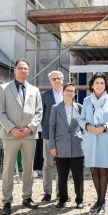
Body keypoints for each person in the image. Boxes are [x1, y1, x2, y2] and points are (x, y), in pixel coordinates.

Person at [0, 59, 43, 215]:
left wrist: (30, 128)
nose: (23, 71)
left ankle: (27, 197)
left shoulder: (35, 90)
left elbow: (39, 112)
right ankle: (7, 201)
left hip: (29, 135)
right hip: (11, 135)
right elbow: (0, 111)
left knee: (28, 168)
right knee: (8, 168)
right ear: (14, 70)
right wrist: (12, 129)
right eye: (20, 68)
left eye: (25, 68)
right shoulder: (4, 88)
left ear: (28, 71)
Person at [79, 72, 108, 215]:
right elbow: (81, 120)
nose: (99, 85)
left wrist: (105, 126)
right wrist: (88, 126)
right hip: (90, 138)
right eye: (96, 83)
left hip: (104, 138)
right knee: (93, 169)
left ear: (105, 85)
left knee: (103, 170)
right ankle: (98, 200)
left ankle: (102, 201)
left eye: (102, 82)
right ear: (92, 85)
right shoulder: (87, 101)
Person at [49, 83, 84, 209]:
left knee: (78, 176)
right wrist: (52, 146)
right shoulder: (55, 108)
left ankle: (79, 199)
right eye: (67, 90)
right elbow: (51, 127)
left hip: (77, 146)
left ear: (74, 94)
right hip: (61, 146)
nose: (69, 93)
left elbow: (84, 126)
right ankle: (62, 199)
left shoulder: (79, 107)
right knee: (62, 175)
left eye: (72, 91)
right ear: (63, 92)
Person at [40, 70, 64, 202]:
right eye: (54, 79)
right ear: (50, 81)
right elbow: (42, 114)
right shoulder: (46, 95)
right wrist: (45, 128)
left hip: (64, 135)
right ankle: (47, 192)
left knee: (62, 164)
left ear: (62, 79)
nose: (56, 81)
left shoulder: (68, 93)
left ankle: (61, 191)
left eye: (59, 78)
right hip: (49, 134)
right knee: (48, 164)